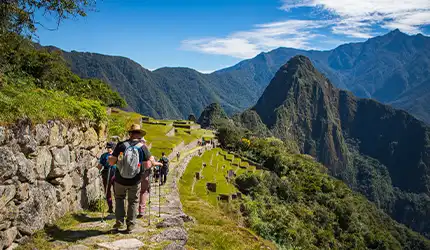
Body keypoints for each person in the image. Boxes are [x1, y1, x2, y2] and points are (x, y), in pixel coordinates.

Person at [108, 124, 153, 232]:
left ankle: (119, 222)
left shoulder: (121, 145)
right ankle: (131, 225)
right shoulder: (142, 147)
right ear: (139, 135)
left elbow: (113, 161)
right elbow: (149, 161)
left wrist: (111, 159)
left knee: (119, 199)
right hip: (135, 180)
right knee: (133, 201)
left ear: (130, 134)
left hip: (120, 179)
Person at [97, 142, 115, 213]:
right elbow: (100, 164)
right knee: (107, 191)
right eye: (107, 148)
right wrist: (99, 166)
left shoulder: (116, 155)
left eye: (110, 147)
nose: (108, 149)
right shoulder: (104, 156)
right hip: (106, 173)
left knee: (117, 191)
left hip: (115, 173)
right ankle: (110, 207)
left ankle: (119, 207)